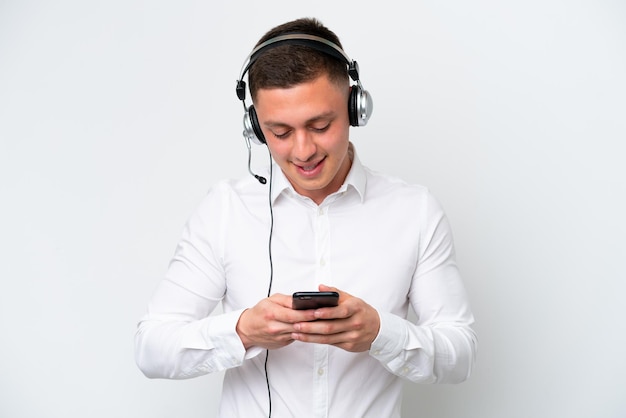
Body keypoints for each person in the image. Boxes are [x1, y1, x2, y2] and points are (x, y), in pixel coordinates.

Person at [135, 17, 477, 418]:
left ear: (355, 106)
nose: (303, 151)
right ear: (256, 128)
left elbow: (461, 354)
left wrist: (382, 334)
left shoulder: (415, 211)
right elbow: (151, 348)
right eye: (279, 132)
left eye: (320, 125)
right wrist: (242, 331)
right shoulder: (224, 210)